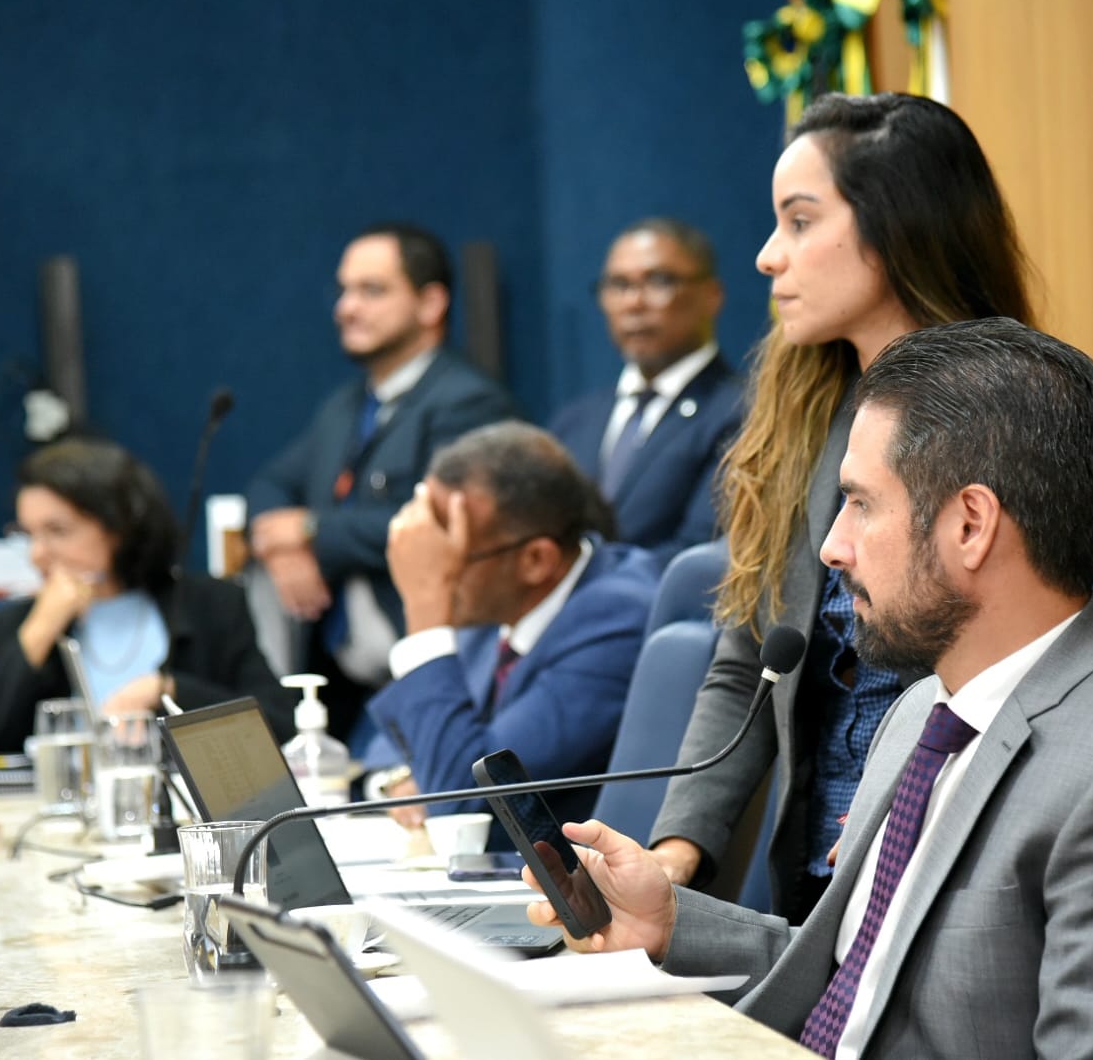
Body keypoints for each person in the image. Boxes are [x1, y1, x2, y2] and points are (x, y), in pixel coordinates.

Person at [528, 319, 1093, 1058]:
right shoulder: (921, 713)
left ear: (970, 525)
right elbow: (863, 974)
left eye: (861, 503)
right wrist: (669, 924)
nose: (831, 548)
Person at [647, 92, 1093, 922]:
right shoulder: (799, 416)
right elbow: (749, 664)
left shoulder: (1053, 415)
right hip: (816, 887)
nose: (767, 257)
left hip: (967, 874)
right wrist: (675, 852)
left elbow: (1086, 665)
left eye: (799, 221)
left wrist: (929, 792)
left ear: (897, 226)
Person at [244, 223, 515, 742]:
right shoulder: (345, 406)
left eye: (372, 290)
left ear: (431, 303)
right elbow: (270, 483)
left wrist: (311, 530)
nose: (346, 308)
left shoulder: (468, 402)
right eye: (344, 290)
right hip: (336, 675)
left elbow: (440, 523)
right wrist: (283, 548)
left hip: (421, 662)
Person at [361, 421, 660, 830]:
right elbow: (396, 736)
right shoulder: (495, 600)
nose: (430, 571)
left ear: (535, 560)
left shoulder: (617, 623)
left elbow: (463, 800)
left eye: (449, 554)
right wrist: (397, 778)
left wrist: (425, 618)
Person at [0, 438, 288, 770]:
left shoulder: (210, 605)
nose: (37, 555)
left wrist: (168, 690)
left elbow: (283, 725)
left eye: (57, 531)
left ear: (118, 526)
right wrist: (40, 631)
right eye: (28, 534)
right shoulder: (24, 623)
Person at [549, 218, 744, 566]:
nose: (634, 303)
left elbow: (699, 557)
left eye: (659, 281)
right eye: (618, 284)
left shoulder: (743, 411)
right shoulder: (575, 420)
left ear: (711, 295)